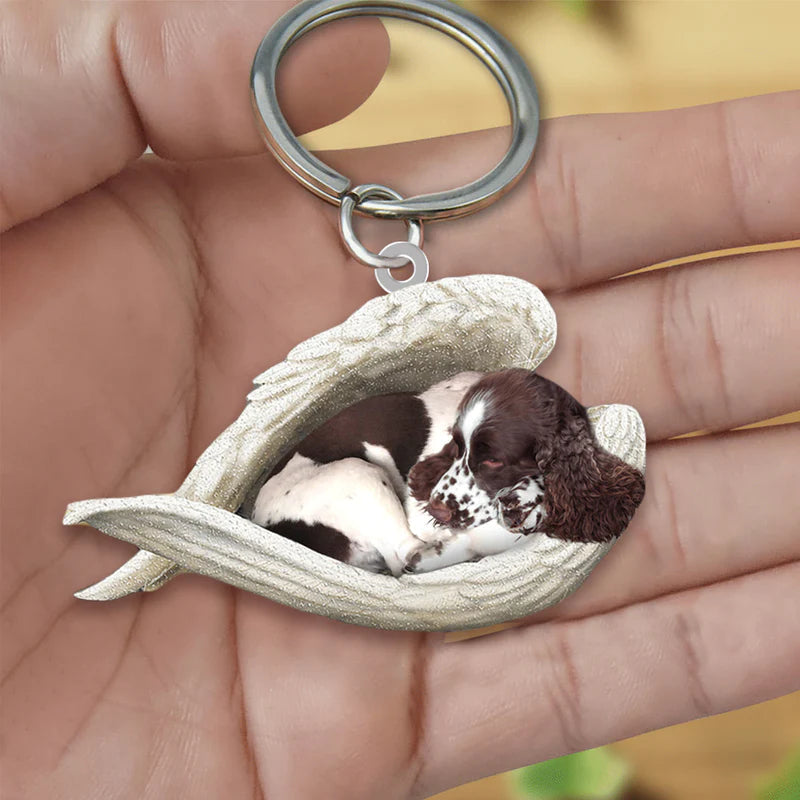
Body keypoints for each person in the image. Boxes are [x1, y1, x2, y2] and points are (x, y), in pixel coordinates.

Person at [2, 4, 798, 799]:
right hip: (317, 509)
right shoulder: (449, 443)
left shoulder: (520, 429)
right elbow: (437, 502)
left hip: (374, 532)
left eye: (487, 465)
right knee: (401, 513)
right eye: (469, 458)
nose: (458, 478)